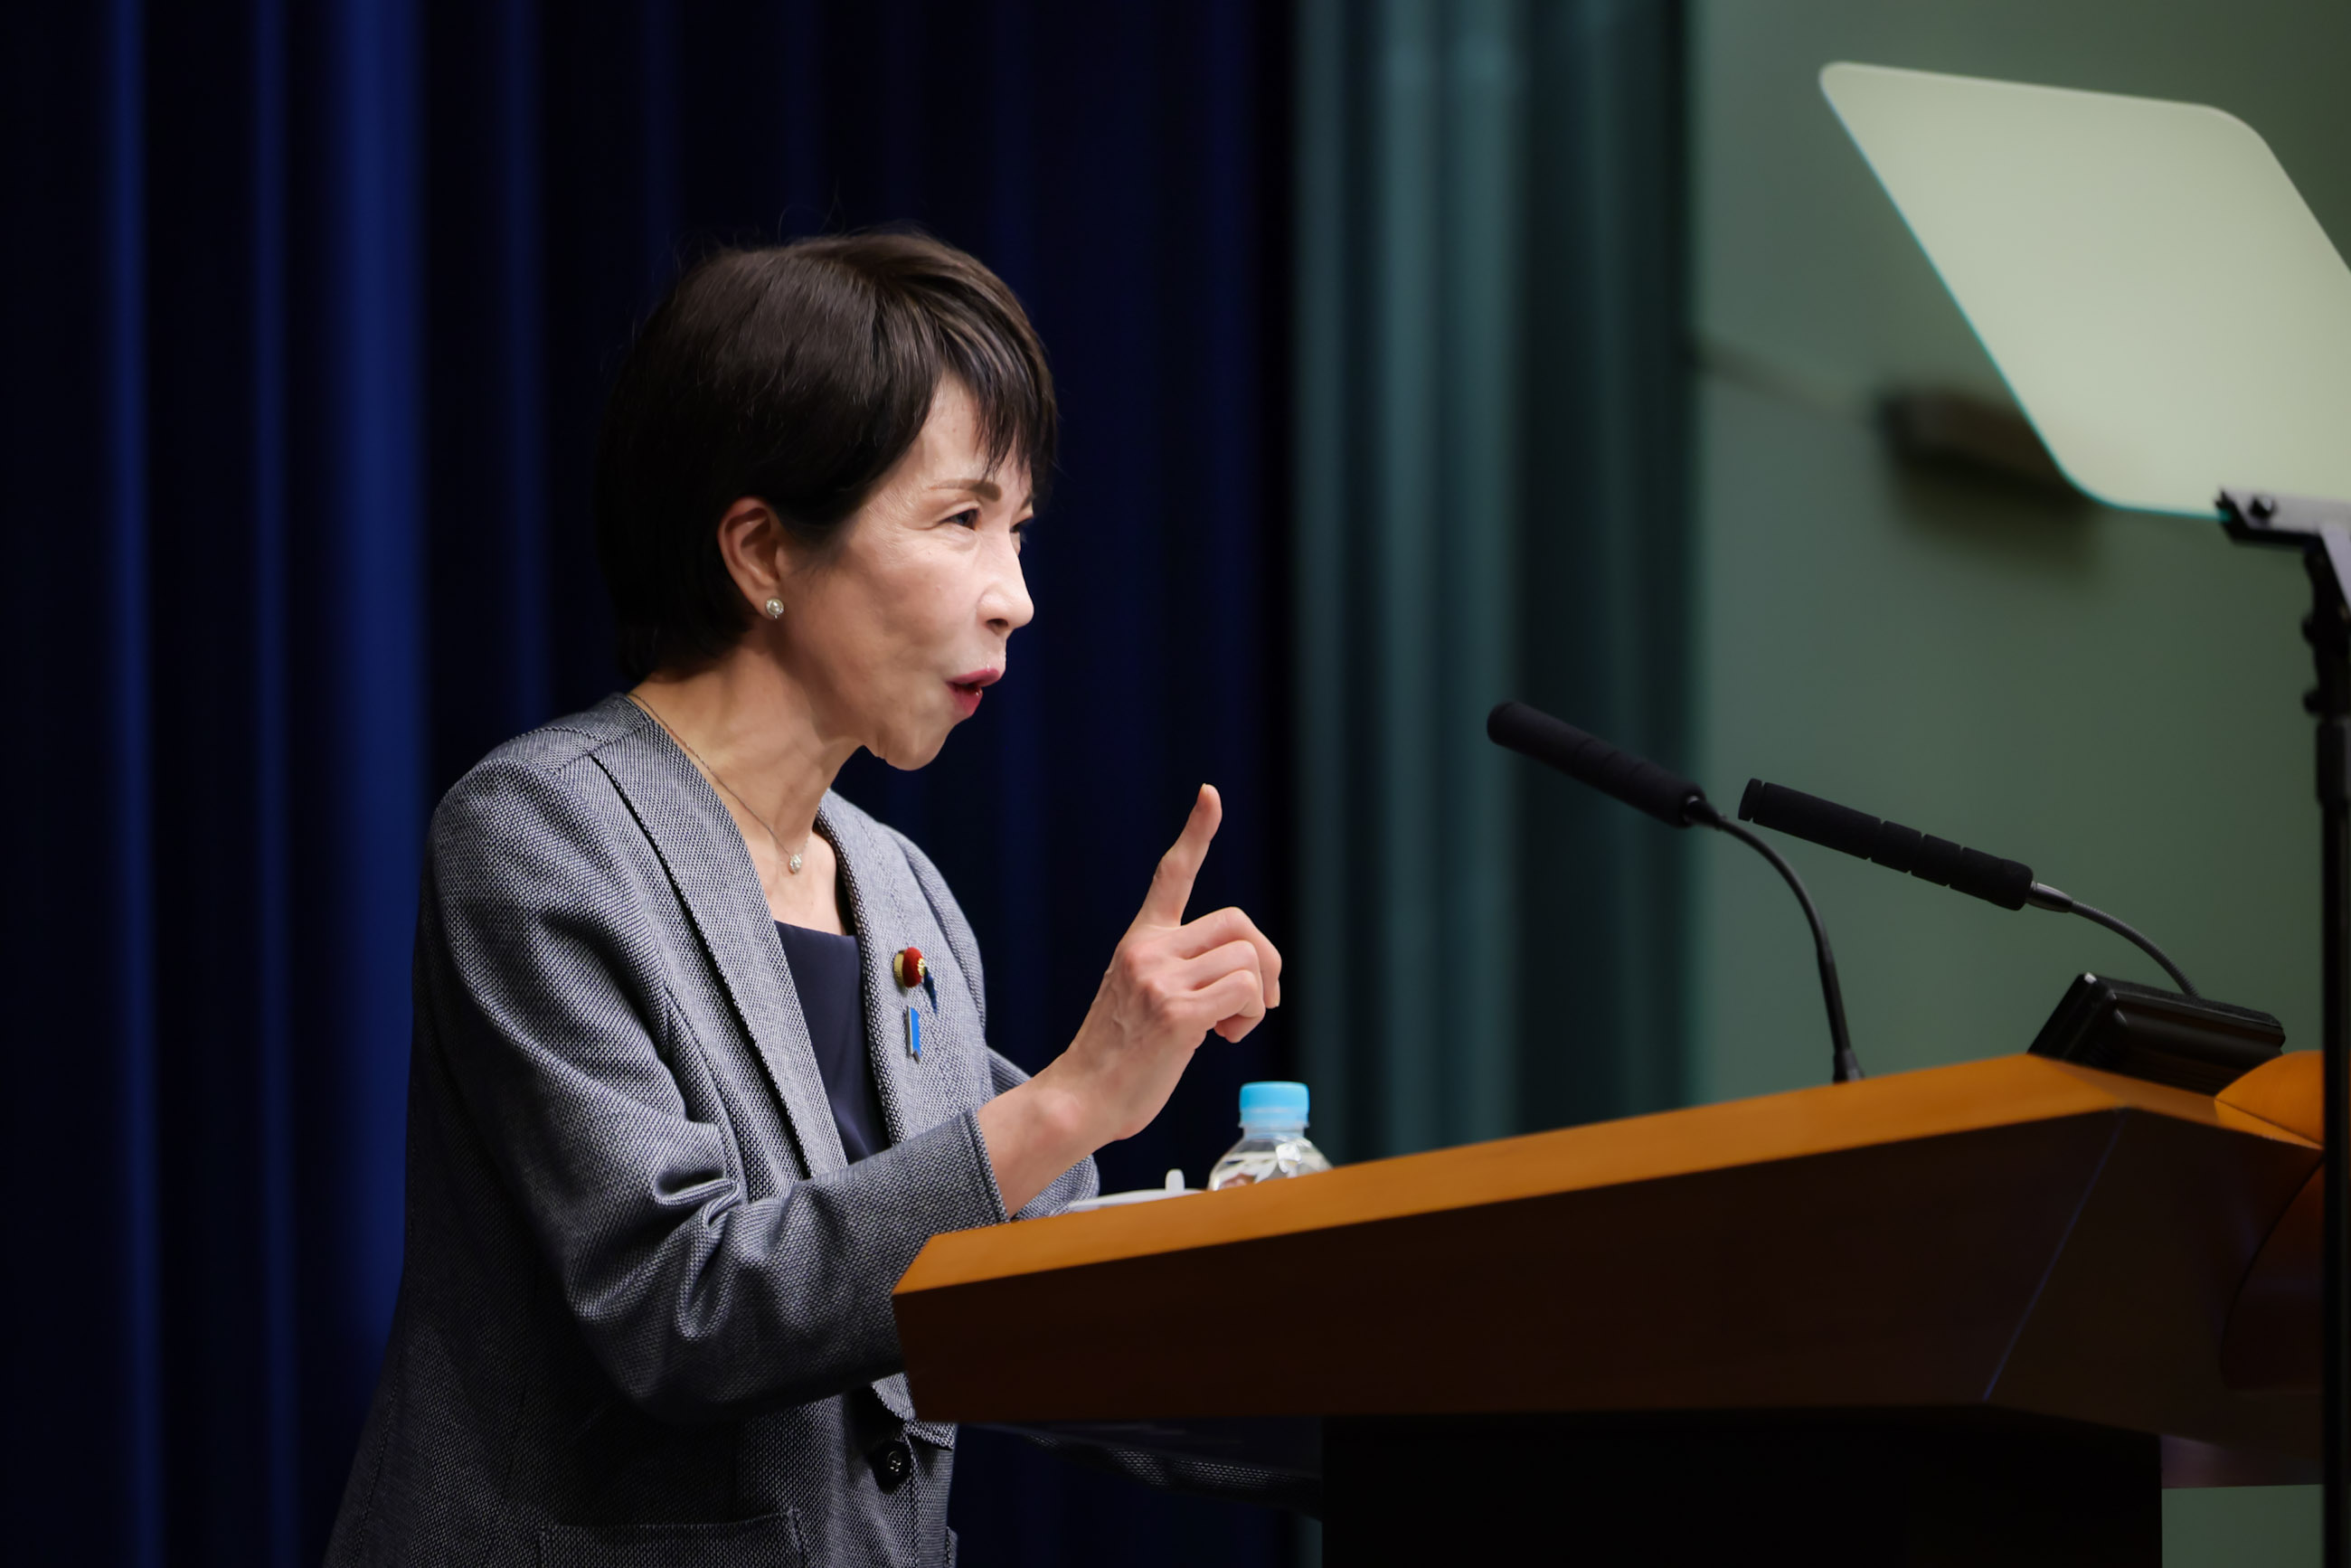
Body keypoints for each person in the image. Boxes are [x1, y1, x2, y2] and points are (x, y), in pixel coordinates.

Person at [326, 232, 1289, 1565]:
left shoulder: (903, 893)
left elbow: (1032, 1296)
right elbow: (680, 1304)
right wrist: (1070, 1099)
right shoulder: (542, 832)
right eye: (961, 521)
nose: (1014, 598)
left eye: (1017, 531)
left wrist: (1331, 1324)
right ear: (761, 547)